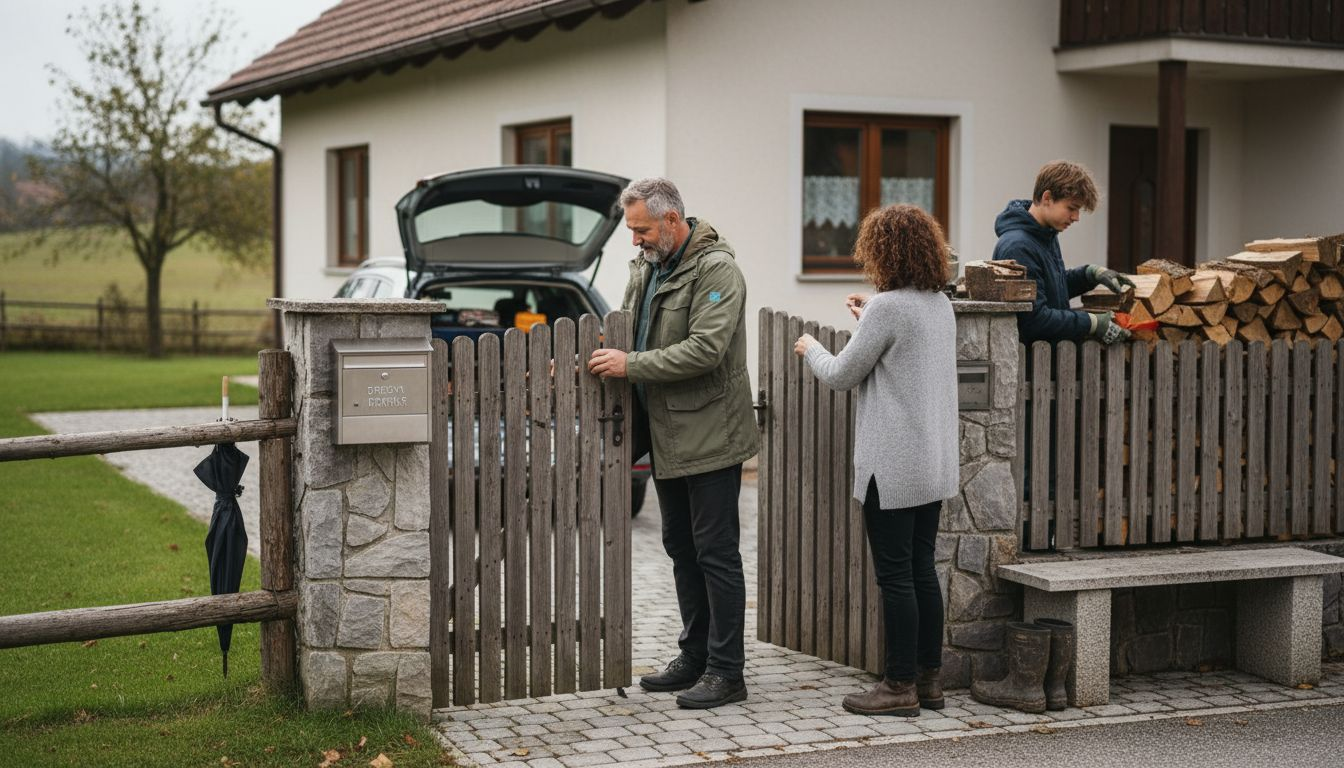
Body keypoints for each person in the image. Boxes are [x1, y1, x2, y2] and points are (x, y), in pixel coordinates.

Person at [587, 177, 757, 709]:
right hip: (667, 433)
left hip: (710, 435)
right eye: (631, 230)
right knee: (681, 548)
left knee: (717, 554)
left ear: (672, 220)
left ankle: (728, 672)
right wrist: (590, 354)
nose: (633, 240)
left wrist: (630, 365)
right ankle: (696, 656)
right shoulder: (648, 265)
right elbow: (626, 330)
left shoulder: (717, 270)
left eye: (640, 229)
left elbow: (705, 349)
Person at [794, 204, 959, 717]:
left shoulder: (890, 307)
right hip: (931, 463)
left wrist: (811, 348)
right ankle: (930, 682)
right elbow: (898, 348)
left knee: (895, 578)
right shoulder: (938, 304)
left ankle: (898, 686)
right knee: (921, 571)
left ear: (882, 250)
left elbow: (843, 373)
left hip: (891, 466)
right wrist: (869, 316)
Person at [993, 160, 1134, 345]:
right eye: (1072, 208)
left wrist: (1089, 274)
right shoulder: (1019, 247)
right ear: (1047, 198)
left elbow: (1051, 290)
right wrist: (1091, 323)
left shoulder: (1045, 235)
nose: (1076, 217)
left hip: (1051, 364)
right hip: (1033, 368)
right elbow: (1034, 320)